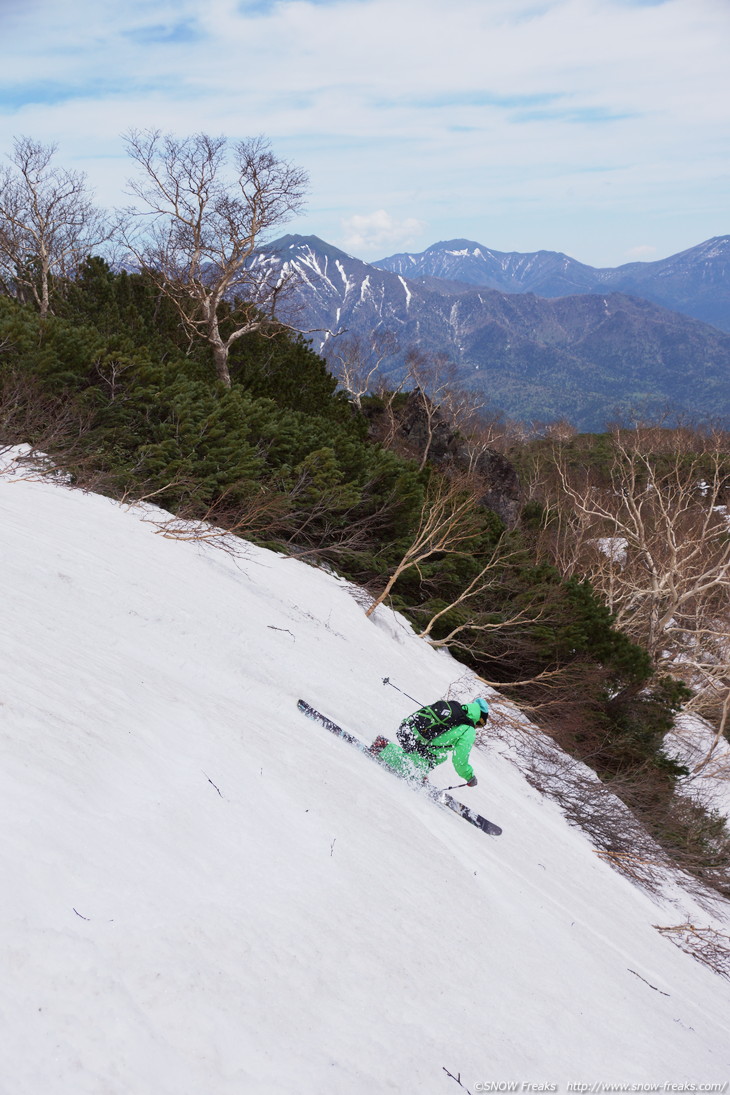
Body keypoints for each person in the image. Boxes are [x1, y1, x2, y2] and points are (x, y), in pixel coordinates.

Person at [370, 697, 489, 785]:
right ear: (479, 720)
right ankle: (384, 748)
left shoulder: (454, 708)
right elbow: (459, 759)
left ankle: (417, 770)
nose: (478, 727)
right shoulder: (468, 730)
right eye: (480, 725)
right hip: (419, 741)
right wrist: (469, 776)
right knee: (432, 759)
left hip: (408, 729)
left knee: (438, 756)